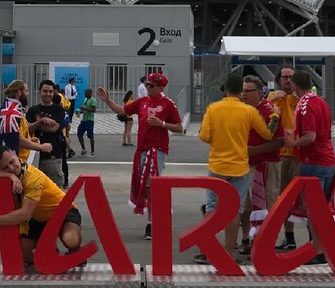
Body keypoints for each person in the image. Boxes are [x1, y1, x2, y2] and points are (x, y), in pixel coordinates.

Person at [196, 75, 273, 263]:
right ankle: (228, 251)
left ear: (225, 89)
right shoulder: (248, 111)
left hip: (217, 165)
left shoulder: (213, 109)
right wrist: (276, 115)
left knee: (212, 207)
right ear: (240, 91)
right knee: (235, 210)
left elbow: (204, 136)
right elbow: (267, 134)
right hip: (239, 167)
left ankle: (207, 250)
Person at [97, 72, 183, 240]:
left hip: (157, 150)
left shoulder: (168, 104)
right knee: (143, 186)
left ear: (160, 87)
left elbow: (180, 127)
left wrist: (162, 124)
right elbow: (123, 111)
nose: (147, 87)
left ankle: (152, 223)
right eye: (147, 85)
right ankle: (159, 216)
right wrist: (108, 101)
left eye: (151, 85)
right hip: (141, 150)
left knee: (152, 186)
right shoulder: (142, 102)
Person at [0, 146, 82, 266]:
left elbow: (25, 213)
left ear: (15, 154)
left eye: (11, 162)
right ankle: (53, 255)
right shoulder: (14, 172)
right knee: (24, 254)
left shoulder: (33, 178)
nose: (11, 168)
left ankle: (76, 252)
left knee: (70, 240)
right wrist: (10, 176)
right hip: (40, 217)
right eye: (5, 168)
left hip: (63, 211)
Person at [283, 69, 335, 263]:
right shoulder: (321, 101)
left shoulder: (304, 105)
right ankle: (326, 247)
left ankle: (318, 250)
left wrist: (292, 143)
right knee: (324, 209)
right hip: (329, 160)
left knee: (313, 211)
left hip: (313, 162)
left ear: (296, 86)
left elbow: (310, 136)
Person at [239, 75, 282, 255]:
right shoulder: (242, 110)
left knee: (267, 206)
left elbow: (280, 141)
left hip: (266, 165)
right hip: (245, 166)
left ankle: (265, 243)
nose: (244, 94)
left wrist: (253, 151)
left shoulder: (269, 111)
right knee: (245, 206)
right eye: (243, 90)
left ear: (259, 92)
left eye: (249, 91)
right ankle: (246, 239)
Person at [269, 66, 300, 252]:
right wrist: (271, 99)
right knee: (281, 199)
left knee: (301, 199)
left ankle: (314, 240)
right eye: (284, 77)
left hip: (297, 155)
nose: (287, 81)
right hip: (278, 155)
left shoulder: (301, 99)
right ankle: (289, 238)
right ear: (279, 79)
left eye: (291, 77)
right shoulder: (274, 98)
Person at [26, 80, 69, 186]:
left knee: (55, 189)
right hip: (35, 156)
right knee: (34, 189)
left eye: (50, 91)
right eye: (45, 91)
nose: (48, 94)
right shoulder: (32, 110)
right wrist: (41, 121)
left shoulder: (58, 109)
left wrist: (35, 124)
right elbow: (28, 129)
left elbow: (53, 129)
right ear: (40, 92)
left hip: (53, 155)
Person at [76, 90, 98, 157]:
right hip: (84, 120)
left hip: (90, 120)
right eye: (85, 93)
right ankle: (83, 149)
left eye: (86, 93)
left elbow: (93, 110)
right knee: (79, 133)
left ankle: (93, 151)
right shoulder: (85, 99)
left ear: (90, 93)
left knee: (90, 135)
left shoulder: (93, 100)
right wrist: (80, 112)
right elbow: (84, 109)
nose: (85, 94)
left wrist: (85, 108)